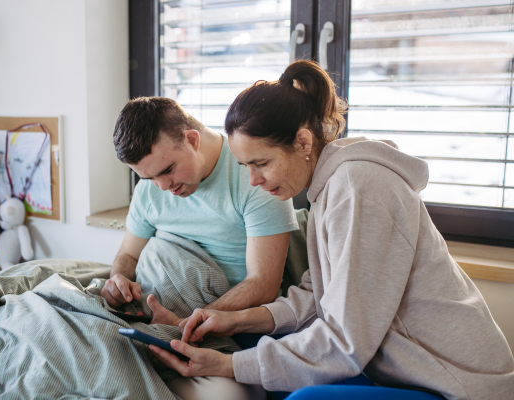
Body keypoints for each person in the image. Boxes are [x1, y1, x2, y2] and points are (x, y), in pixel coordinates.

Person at [148, 60, 514, 400]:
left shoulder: (358, 187)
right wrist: (236, 319)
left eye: (261, 163)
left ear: (304, 143)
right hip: (401, 367)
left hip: (457, 385)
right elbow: (319, 295)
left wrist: (227, 365)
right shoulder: (329, 188)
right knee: (260, 351)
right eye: (245, 166)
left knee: (304, 396)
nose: (253, 180)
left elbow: (344, 340)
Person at [104, 97, 298, 399]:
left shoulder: (256, 177)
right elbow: (128, 256)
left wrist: (190, 322)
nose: (162, 187)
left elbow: (263, 285)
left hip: (219, 330)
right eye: (148, 177)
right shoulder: (151, 190)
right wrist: (117, 281)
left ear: (192, 139)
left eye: (167, 170)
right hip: (149, 320)